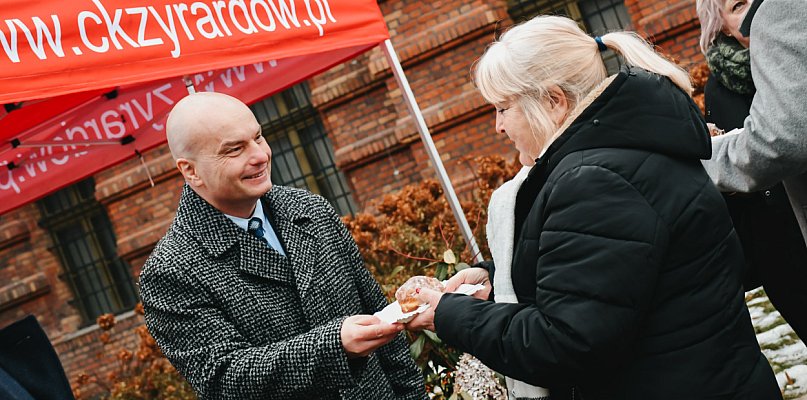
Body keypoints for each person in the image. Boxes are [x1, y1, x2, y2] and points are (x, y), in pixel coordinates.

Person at [405, 15, 781, 400]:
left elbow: (564, 343)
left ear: (553, 101)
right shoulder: (630, 145)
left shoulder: (595, 181)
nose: (498, 127)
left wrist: (448, 314)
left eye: (503, 108)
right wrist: (495, 281)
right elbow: (608, 274)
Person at [138, 92, 426, 400]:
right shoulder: (169, 272)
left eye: (258, 137)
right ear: (190, 171)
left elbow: (381, 316)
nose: (260, 155)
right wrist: (334, 346)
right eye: (235, 150)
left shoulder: (312, 210)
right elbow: (224, 379)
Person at [697, 0, 807, 339]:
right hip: (781, 246)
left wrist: (705, 157)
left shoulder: (781, 26)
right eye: (738, 5)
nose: (752, 11)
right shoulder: (720, 86)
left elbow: (776, 141)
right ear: (721, 26)